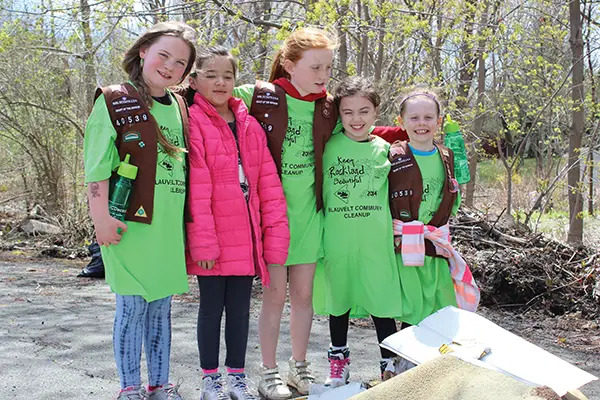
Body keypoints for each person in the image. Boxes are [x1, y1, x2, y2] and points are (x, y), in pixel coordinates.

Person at [83, 21, 196, 400]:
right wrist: (101, 218)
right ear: (144, 50)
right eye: (163, 54)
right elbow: (96, 166)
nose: (169, 66)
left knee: (160, 310)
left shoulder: (179, 104)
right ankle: (129, 389)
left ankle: (159, 385)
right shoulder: (114, 98)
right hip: (129, 223)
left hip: (168, 227)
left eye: (180, 63)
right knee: (132, 307)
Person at [232, 27, 340, 399]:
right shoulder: (259, 95)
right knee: (275, 296)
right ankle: (268, 372)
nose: (323, 75)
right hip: (271, 216)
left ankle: (299, 367)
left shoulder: (328, 107)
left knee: (304, 297)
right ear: (291, 65)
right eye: (315, 67)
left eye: (328, 67)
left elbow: (365, 128)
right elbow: (212, 98)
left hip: (309, 216)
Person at [184, 45, 290, 400]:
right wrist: (203, 243)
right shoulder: (193, 120)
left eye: (227, 76)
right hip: (213, 238)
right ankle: (210, 380)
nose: (220, 82)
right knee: (211, 309)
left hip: (246, 239)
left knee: (241, 312)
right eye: (210, 75)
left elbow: (269, 186)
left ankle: (237, 378)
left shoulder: (249, 124)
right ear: (195, 79)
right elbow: (197, 189)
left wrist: (274, 239)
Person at [311, 76, 408, 387]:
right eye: (348, 112)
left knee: (381, 303)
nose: (356, 119)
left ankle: (389, 366)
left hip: (375, 243)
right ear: (339, 114)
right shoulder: (327, 147)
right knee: (338, 302)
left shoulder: (386, 151)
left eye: (364, 111)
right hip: (338, 239)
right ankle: (338, 363)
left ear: (376, 112)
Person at [388, 87, 478, 327]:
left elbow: (452, 199)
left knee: (436, 309)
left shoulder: (447, 156)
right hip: (402, 246)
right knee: (409, 307)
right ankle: (395, 361)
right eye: (414, 118)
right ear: (401, 121)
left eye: (428, 118)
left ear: (438, 121)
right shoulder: (394, 155)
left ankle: (426, 363)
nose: (421, 123)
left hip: (435, 244)